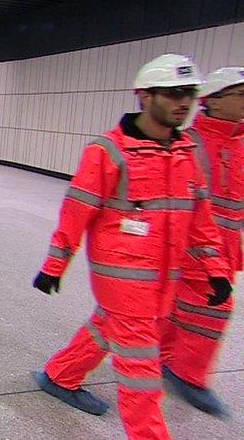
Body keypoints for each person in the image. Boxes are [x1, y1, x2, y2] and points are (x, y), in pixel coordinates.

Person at [30, 54, 231, 440]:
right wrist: (55, 265)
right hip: (122, 279)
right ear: (144, 95)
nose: (184, 103)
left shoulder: (185, 151)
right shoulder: (108, 151)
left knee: (106, 327)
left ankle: (60, 375)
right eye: (173, 94)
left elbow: (201, 219)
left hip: (164, 277)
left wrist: (216, 270)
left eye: (189, 94)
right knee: (142, 372)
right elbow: (77, 212)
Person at [159, 66, 244, 416]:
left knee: (179, 305)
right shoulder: (187, 144)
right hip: (189, 242)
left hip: (225, 244)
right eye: (241, 94)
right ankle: (187, 374)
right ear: (213, 102)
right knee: (212, 309)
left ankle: (164, 358)